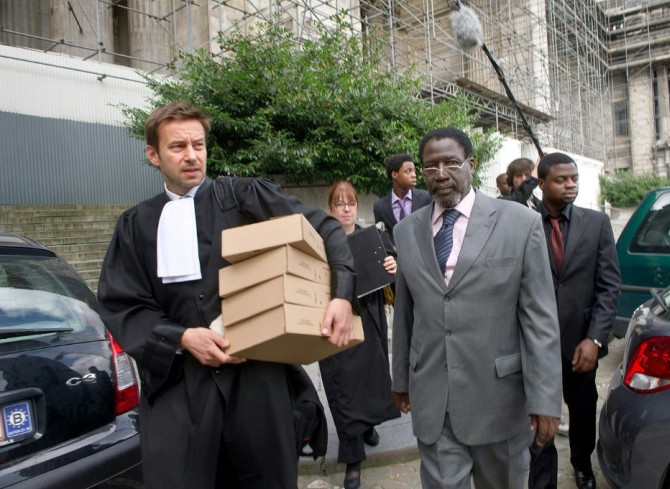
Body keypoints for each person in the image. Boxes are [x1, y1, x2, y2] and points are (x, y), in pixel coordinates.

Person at [96, 101, 356, 489]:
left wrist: (342, 294)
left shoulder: (242, 197)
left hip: (256, 384)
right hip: (181, 389)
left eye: (198, 145)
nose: (191, 156)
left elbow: (324, 228)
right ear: (153, 154)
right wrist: (182, 337)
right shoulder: (135, 225)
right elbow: (122, 305)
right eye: (177, 147)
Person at [390, 127, 562, 489]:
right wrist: (401, 378)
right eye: (430, 166)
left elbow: (539, 320)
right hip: (434, 399)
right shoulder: (406, 232)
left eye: (451, 163)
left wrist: (546, 398)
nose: (440, 174)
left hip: (498, 401)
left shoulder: (520, 224)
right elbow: (406, 312)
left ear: (472, 164)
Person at [535, 153, 621, 489]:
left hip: (580, 344)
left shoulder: (596, 224)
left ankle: (582, 465)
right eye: (561, 179)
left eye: (574, 178)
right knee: (538, 413)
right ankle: (542, 479)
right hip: (536, 343)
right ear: (542, 184)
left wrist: (595, 339)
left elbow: (609, 285)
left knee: (583, 410)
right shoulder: (524, 224)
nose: (570, 185)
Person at [320, 181, 401, 489]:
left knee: (372, 378)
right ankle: (352, 458)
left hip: (372, 317)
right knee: (344, 386)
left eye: (351, 203)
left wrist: (394, 265)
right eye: (340, 204)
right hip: (338, 325)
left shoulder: (373, 236)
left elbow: (394, 271)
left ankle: (367, 426)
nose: (347, 209)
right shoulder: (321, 242)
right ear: (330, 209)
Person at [373, 153, 432, 243]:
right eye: (408, 171)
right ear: (395, 175)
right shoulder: (380, 207)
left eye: (414, 171)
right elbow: (381, 238)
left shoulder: (426, 199)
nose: (414, 175)